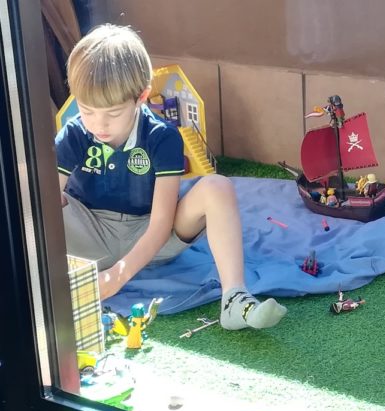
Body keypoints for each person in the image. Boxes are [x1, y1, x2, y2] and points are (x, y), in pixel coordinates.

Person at [55, 24, 287, 331]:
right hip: (88, 233)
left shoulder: (161, 137)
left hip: (150, 234)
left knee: (217, 186)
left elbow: (161, 224)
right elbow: (45, 202)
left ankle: (234, 297)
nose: (99, 123)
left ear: (141, 97)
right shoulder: (74, 131)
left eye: (112, 112)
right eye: (87, 110)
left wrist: (118, 275)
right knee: (28, 192)